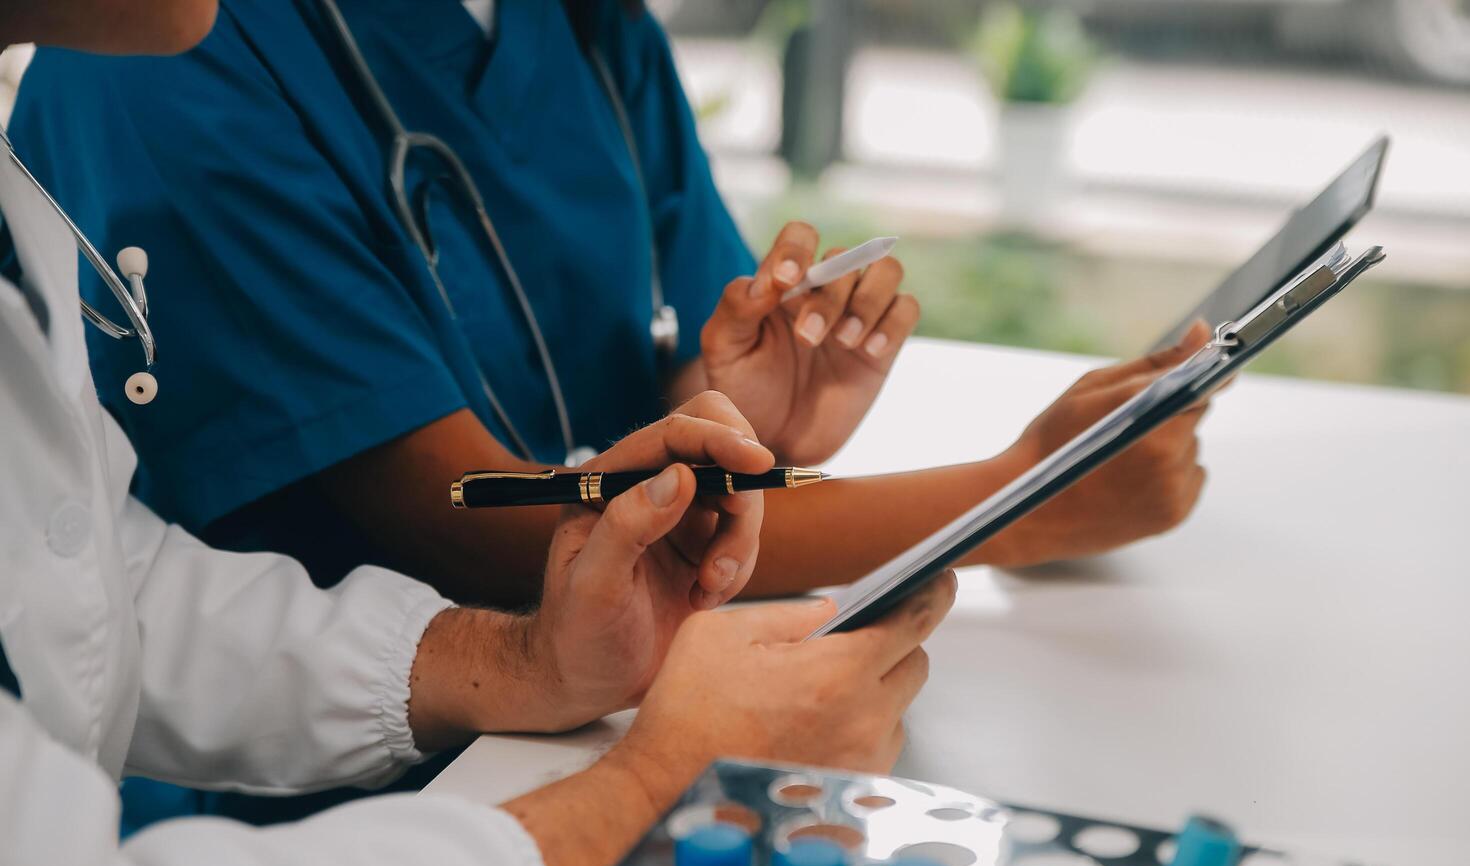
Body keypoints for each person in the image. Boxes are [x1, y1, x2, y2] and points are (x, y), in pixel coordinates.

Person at [0, 1, 957, 866]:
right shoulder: (175, 60)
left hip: (499, 779)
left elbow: (95, 571)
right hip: (318, 839)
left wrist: (526, 659)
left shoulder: (595, 26)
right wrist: (652, 795)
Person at [8, 0, 1211, 612]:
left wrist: (738, 417)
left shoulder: (585, 20)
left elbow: (676, 375)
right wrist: (1015, 500)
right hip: (329, 798)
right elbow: (473, 523)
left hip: (599, 682)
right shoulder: (168, 43)